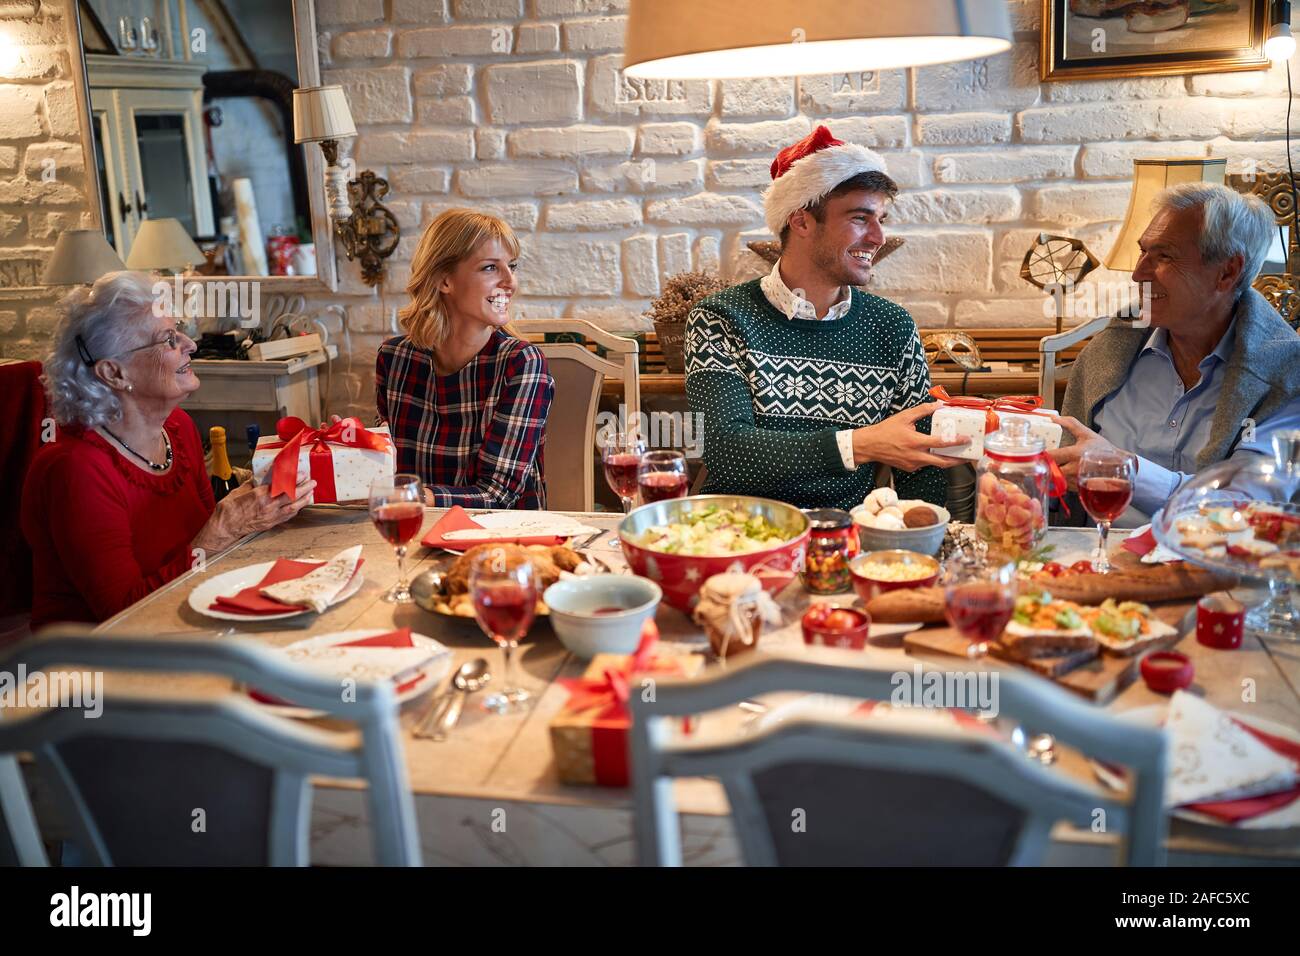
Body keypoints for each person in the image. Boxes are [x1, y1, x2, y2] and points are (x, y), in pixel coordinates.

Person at [685, 125, 966, 511]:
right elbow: (726, 452)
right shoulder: (721, 318)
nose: (878, 236)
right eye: (860, 218)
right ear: (801, 222)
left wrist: (919, 542)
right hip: (736, 536)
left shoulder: (893, 327)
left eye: (881, 218)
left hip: (845, 534)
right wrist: (860, 444)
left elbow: (922, 465)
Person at [22, 271, 316, 629]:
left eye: (178, 330)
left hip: (186, 624)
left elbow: (204, 552)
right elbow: (123, 616)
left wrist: (260, 508)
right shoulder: (76, 470)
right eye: (168, 338)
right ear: (114, 373)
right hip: (98, 662)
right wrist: (221, 532)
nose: (189, 343)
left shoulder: (178, 429)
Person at [1049, 182, 1300, 526]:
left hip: (1211, 574)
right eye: (1143, 252)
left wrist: (1127, 470)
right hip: (1098, 566)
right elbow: (1061, 495)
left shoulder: (1285, 377)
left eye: (1164, 256)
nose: (1138, 274)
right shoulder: (1106, 355)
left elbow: (1243, 510)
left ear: (1227, 272)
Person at [377, 209, 554, 509]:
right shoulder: (395, 359)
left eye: (511, 266)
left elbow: (498, 495)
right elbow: (388, 467)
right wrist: (350, 447)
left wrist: (416, 497)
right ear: (444, 280)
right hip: (417, 533)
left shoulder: (522, 364)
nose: (510, 282)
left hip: (501, 541)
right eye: (490, 268)